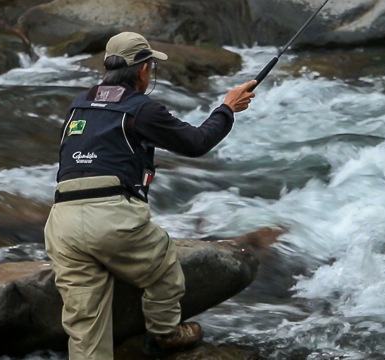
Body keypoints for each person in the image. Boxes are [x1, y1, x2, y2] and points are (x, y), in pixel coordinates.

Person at [43, 31, 256, 360]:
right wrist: (227, 108)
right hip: (111, 217)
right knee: (165, 267)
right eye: (150, 68)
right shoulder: (141, 109)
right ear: (143, 70)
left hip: (62, 221)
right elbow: (196, 142)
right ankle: (165, 334)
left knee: (85, 325)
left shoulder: (78, 105)